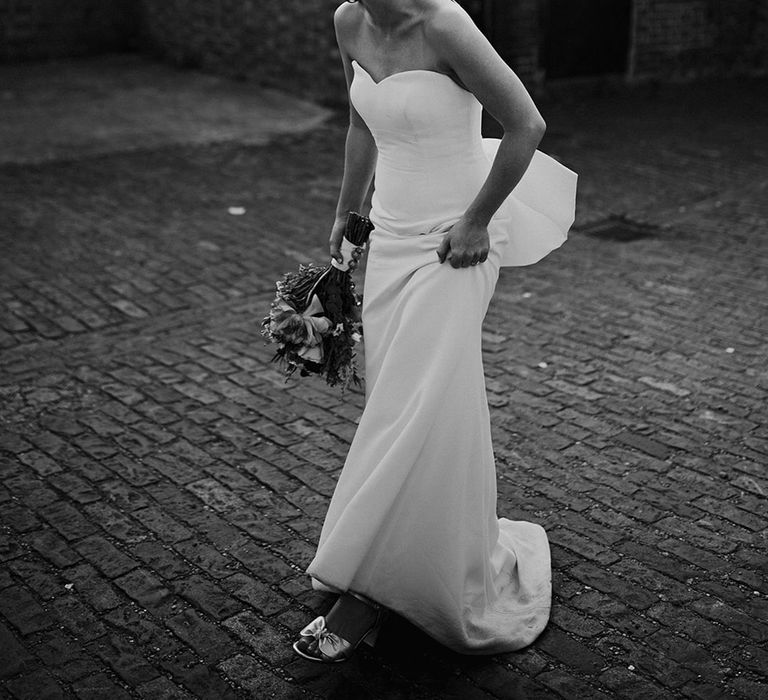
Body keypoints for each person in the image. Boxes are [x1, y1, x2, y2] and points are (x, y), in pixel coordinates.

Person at [293, 0, 577, 662]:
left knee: (418, 405)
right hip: (390, 237)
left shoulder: (444, 22)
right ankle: (429, 553)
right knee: (406, 402)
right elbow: (363, 125)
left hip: (457, 243)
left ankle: (363, 599)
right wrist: (346, 213)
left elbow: (526, 124)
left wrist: (477, 220)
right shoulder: (347, 22)